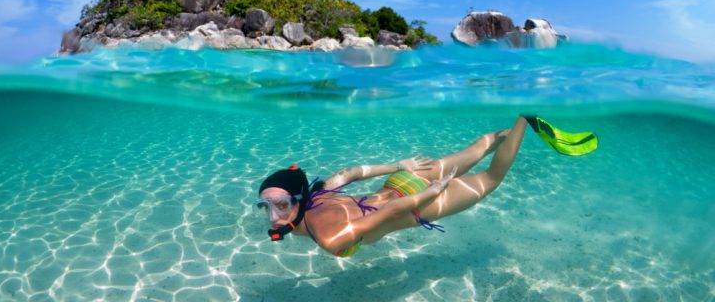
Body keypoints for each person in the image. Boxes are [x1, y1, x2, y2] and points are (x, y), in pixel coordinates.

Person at [253, 115, 596, 257]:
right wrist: (400, 166)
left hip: (414, 201)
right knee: (474, 150)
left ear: (298, 200)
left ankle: (526, 120)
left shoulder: (329, 239)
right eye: (265, 207)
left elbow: (387, 212)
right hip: (400, 180)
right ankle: (509, 131)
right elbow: (352, 171)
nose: (272, 216)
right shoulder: (322, 190)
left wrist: (428, 195)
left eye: (280, 205)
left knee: (491, 179)